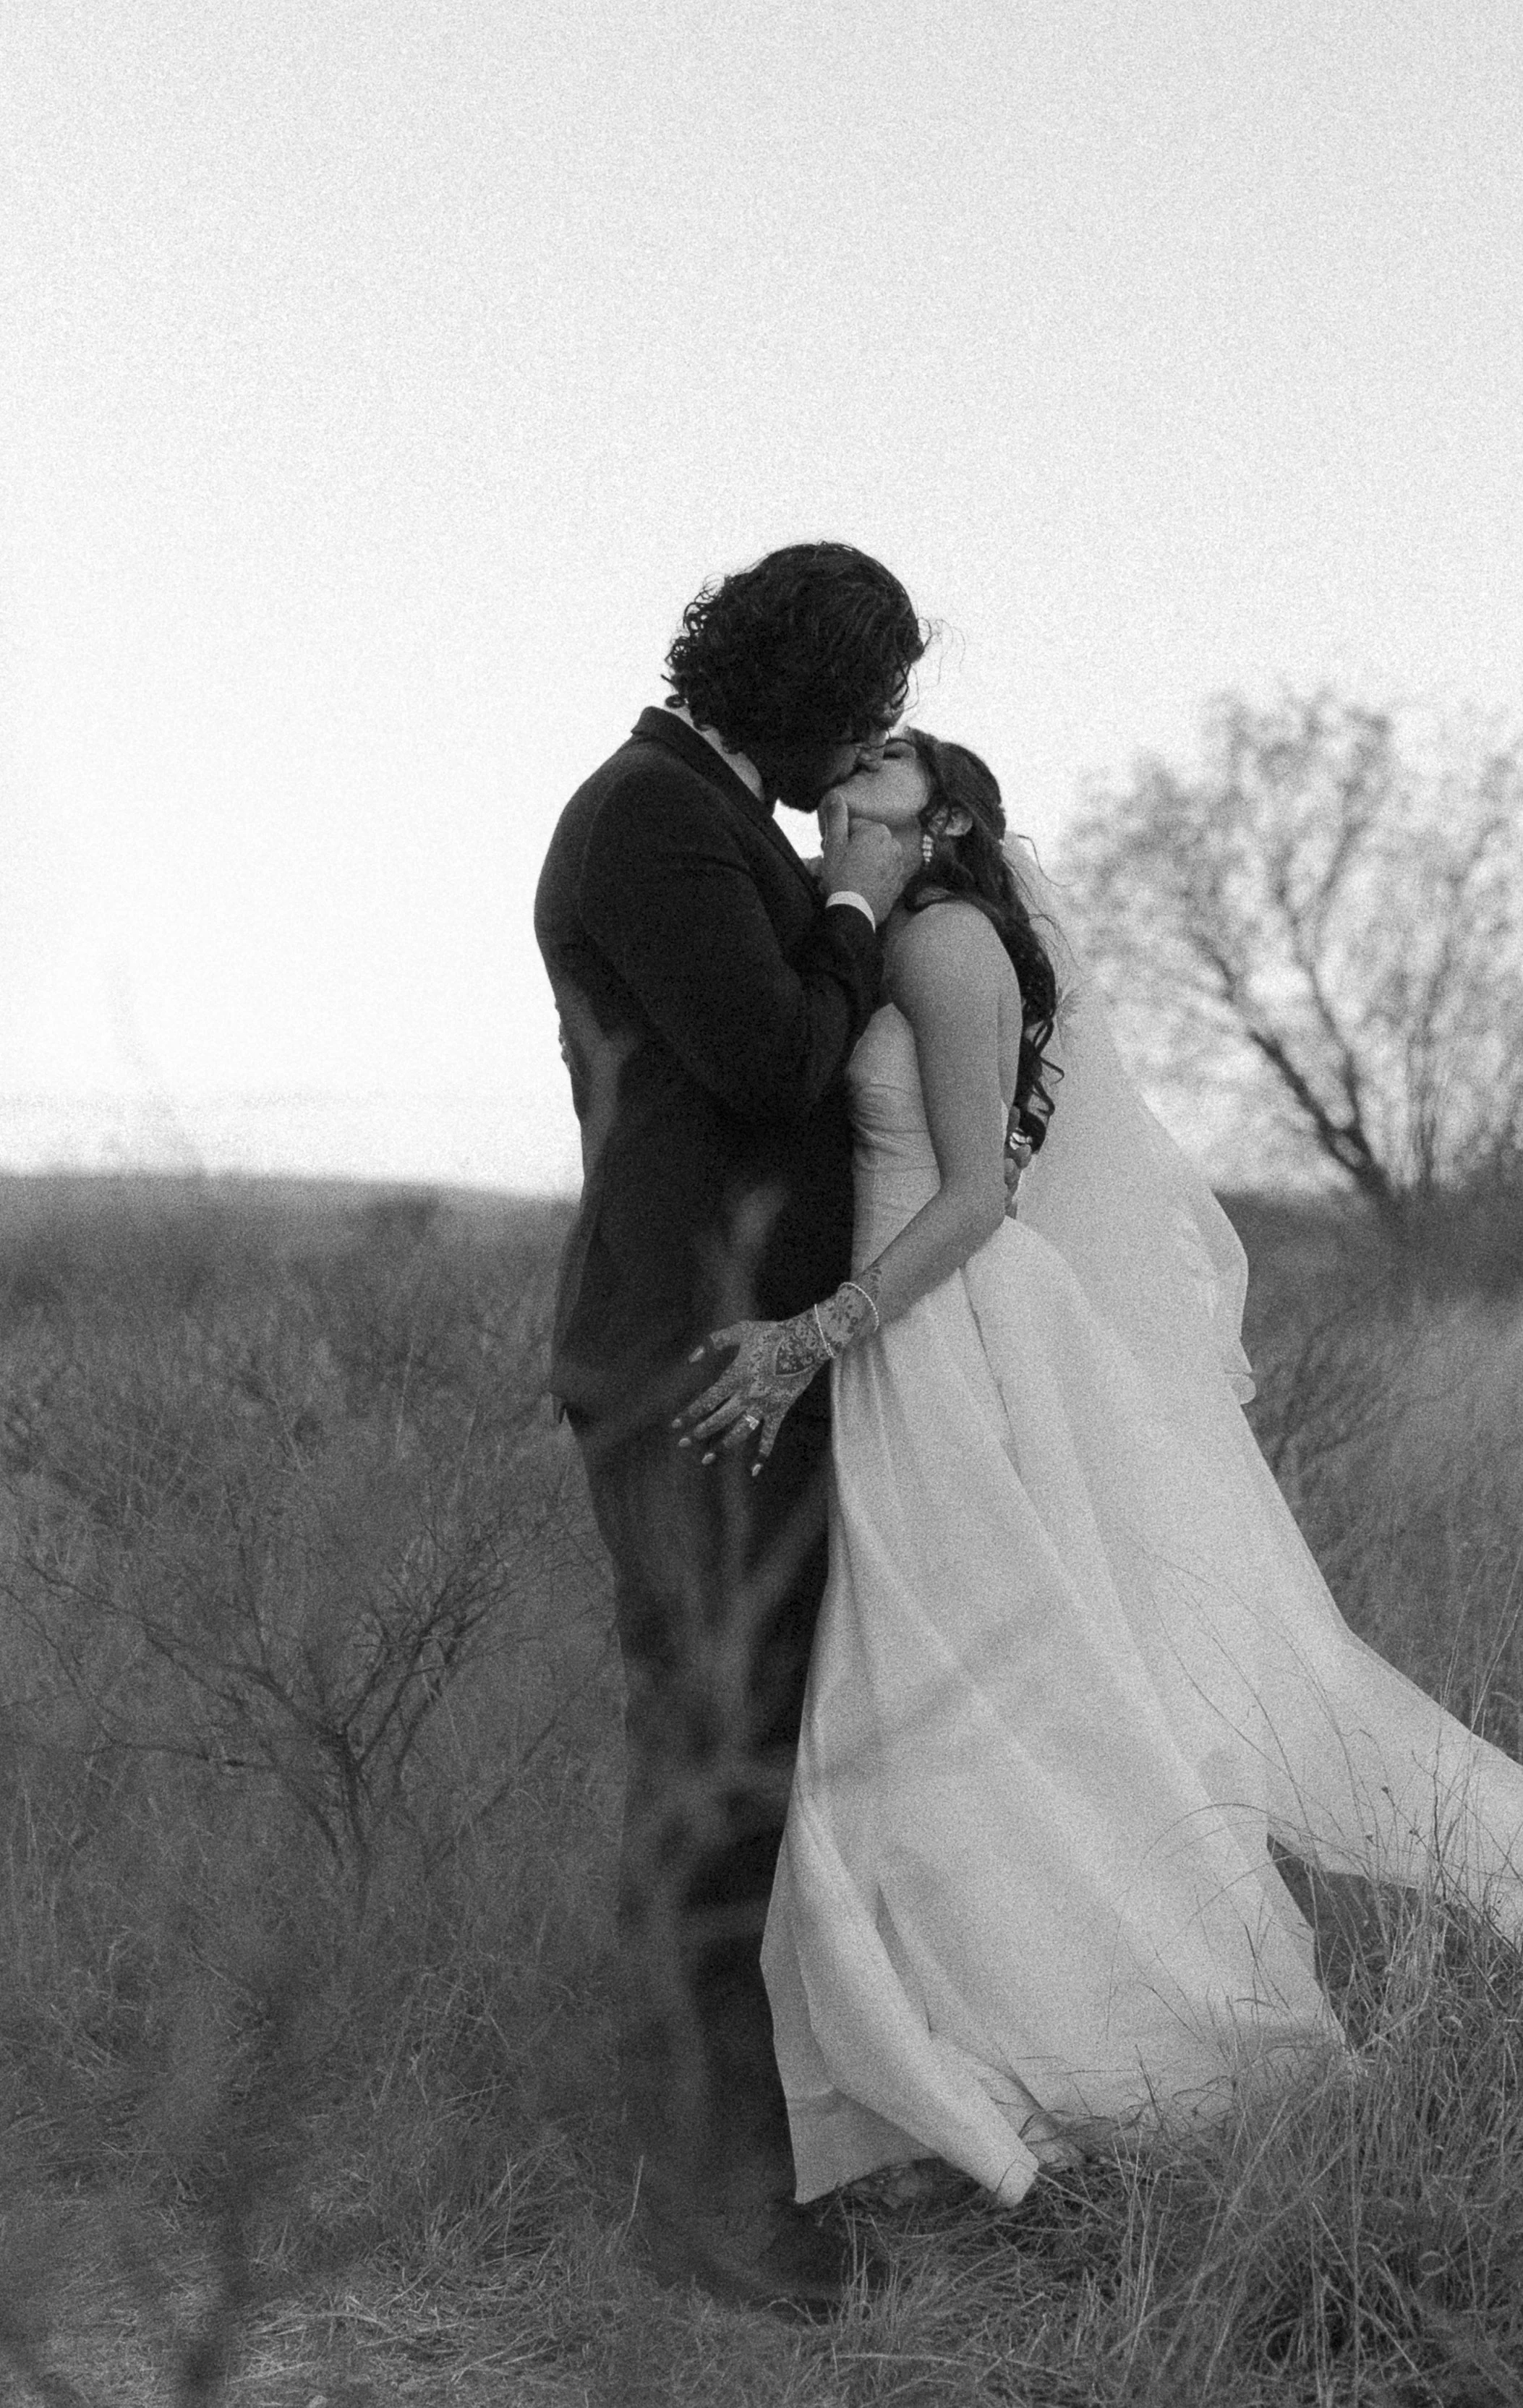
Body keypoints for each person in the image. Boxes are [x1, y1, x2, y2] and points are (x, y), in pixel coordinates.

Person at [674, 728, 1523, 2212]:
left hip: (942, 1340)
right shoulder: (891, 939)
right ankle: (983, 2040)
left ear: (943, 820)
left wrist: (817, 1334)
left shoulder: (944, 945)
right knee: (986, 1701)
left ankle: (1085, 2042)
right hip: (920, 1344)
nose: (840, 787)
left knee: (971, 1692)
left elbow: (969, 1201)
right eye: (838, 774)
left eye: (875, 773)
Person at [533, 542, 926, 2315]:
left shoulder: (698, 811)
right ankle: (708, 2213)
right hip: (688, 1368)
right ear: (798, 693)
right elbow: (768, 1060)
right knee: (709, 1779)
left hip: (736, 1363)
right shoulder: (651, 819)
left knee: (737, 1769)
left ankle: (715, 2177)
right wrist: (852, 905)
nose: (862, 750)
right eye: (859, 712)